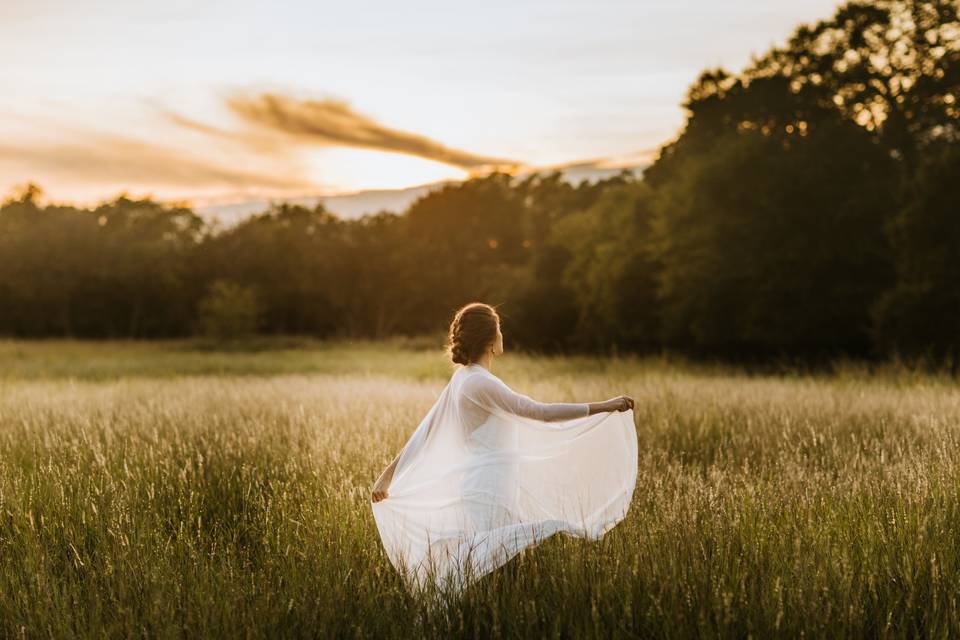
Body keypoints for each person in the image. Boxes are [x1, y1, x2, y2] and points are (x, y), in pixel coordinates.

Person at [370, 302, 637, 594]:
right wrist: (604, 406)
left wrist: (387, 476)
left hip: (489, 486)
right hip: (489, 490)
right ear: (491, 340)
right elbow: (540, 412)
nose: (502, 334)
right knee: (491, 568)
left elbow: (424, 431)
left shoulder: (465, 378)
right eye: (499, 328)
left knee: (491, 567)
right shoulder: (480, 382)